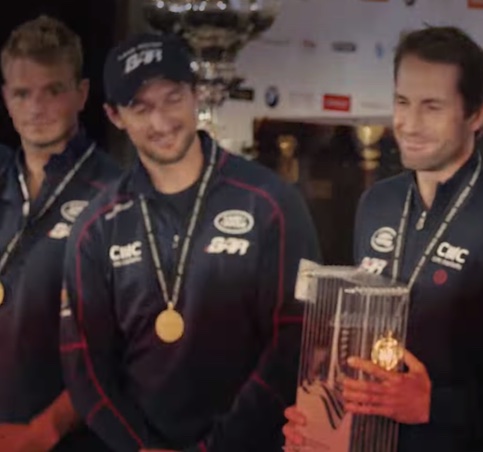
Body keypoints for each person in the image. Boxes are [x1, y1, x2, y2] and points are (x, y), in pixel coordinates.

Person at [59, 32, 321, 451]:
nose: (161, 122)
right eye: (140, 108)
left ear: (196, 94)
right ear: (114, 115)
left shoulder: (272, 204)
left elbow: (296, 343)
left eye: (172, 99)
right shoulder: (95, 227)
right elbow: (85, 366)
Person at [283, 26, 483, 452]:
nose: (410, 124)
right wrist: (322, 417)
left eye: (432, 107)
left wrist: (434, 405)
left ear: (476, 115)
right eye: (402, 102)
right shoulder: (376, 204)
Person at [0, 16, 121, 451]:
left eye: (53, 90)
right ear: (6, 99)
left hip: (68, 438)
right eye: (22, 93)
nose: (36, 108)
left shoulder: (116, 193)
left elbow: (127, 342)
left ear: (81, 94)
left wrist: (44, 430)